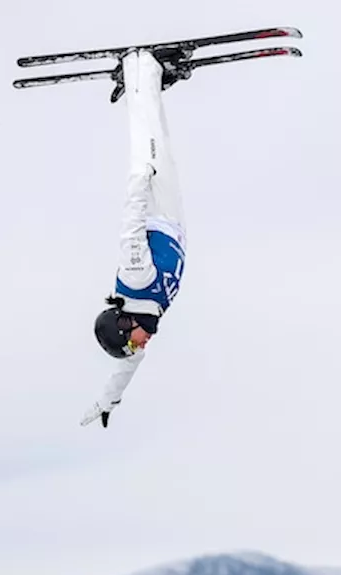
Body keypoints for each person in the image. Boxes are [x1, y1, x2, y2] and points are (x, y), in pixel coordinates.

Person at [81, 49, 188, 428]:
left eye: (131, 342)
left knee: (150, 142)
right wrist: (107, 401)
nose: (140, 346)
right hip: (174, 221)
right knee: (168, 145)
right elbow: (124, 372)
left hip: (155, 206)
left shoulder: (135, 279)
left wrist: (140, 179)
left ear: (124, 326)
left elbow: (130, 226)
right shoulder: (146, 317)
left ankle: (140, 68)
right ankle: (154, 82)